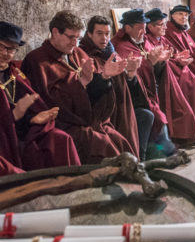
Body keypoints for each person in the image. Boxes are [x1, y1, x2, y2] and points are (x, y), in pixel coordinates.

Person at [22, 11, 134, 163]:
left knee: (120, 141)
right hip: (64, 123)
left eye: (78, 38)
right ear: (55, 32)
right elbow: (49, 101)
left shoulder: (78, 53)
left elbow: (92, 92)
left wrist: (104, 76)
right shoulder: (36, 60)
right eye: (70, 37)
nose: (75, 43)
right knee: (104, 145)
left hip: (88, 118)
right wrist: (81, 83)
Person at [0, 21, 80, 173]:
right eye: (3, 47)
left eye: (12, 50)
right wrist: (13, 116)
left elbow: (30, 109)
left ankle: (70, 189)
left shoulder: (16, 74)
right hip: (4, 140)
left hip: (23, 131)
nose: (7, 54)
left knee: (61, 139)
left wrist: (33, 118)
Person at [111, 8, 177, 157]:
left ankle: (163, 150)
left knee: (159, 110)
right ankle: (160, 152)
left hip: (148, 90)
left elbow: (148, 63)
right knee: (156, 115)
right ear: (128, 28)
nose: (143, 32)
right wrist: (151, 62)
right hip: (132, 95)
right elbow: (130, 71)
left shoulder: (141, 41)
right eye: (140, 29)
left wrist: (159, 61)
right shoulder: (121, 46)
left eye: (144, 28)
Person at [144, 8, 195, 147]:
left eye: (186, 15)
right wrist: (174, 60)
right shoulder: (148, 41)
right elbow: (152, 61)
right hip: (164, 78)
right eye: (161, 24)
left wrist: (179, 58)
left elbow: (174, 54)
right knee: (186, 96)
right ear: (150, 26)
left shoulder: (163, 37)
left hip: (176, 71)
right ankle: (186, 135)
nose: (164, 27)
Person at [80, 15, 141, 158]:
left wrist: (131, 74)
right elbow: (87, 90)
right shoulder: (84, 55)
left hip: (120, 106)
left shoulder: (111, 53)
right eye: (99, 33)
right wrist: (105, 75)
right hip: (101, 111)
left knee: (145, 116)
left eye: (107, 34)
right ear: (89, 34)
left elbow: (126, 86)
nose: (104, 38)